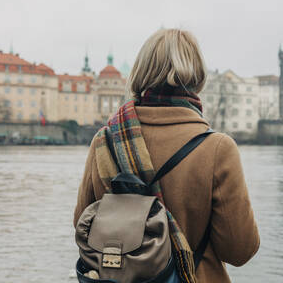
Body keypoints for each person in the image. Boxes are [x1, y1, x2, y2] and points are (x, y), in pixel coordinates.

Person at [73, 28, 260, 282]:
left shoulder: (105, 140)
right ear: (197, 76)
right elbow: (239, 250)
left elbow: (83, 227)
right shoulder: (217, 148)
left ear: (141, 72)